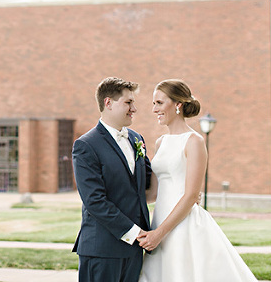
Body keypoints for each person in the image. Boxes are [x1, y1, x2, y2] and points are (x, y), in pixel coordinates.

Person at [138, 79, 257, 281]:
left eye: (159, 103)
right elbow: (154, 193)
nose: (154, 109)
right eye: (153, 103)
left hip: (183, 226)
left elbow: (192, 194)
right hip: (158, 221)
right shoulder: (161, 142)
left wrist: (159, 233)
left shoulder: (194, 141)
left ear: (178, 105)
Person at [72, 77, 152, 282]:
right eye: (128, 102)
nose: (134, 108)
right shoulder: (86, 145)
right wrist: (135, 233)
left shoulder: (136, 139)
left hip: (134, 250)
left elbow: (149, 182)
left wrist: (186, 191)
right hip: (102, 249)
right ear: (108, 103)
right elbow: (94, 201)